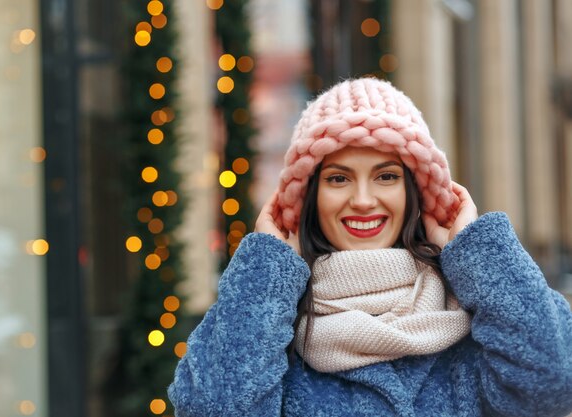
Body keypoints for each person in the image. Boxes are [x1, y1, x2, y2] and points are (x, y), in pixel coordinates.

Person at [168, 78, 572, 416]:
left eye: (386, 176)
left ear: (416, 192)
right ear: (310, 197)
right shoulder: (268, 323)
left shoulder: (476, 313)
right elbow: (216, 407)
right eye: (339, 179)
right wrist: (265, 268)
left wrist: (477, 251)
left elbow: (553, 381)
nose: (362, 200)